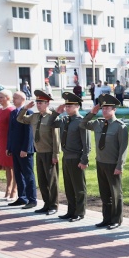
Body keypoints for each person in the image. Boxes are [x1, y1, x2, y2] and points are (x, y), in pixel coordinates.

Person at [81, 94, 129, 229]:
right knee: (104, 193)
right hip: (100, 163)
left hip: (113, 164)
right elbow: (82, 124)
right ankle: (106, 218)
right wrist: (92, 113)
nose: (105, 110)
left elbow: (123, 149)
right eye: (103, 108)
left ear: (114, 110)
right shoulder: (98, 123)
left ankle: (116, 219)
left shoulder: (120, 127)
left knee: (115, 193)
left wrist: (120, 165)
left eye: (108, 108)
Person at [48, 92, 91, 222]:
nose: (67, 108)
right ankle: (71, 211)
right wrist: (57, 111)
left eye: (70, 106)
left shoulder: (81, 122)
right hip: (66, 157)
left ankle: (80, 212)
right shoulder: (64, 120)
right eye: (66, 106)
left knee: (78, 187)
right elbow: (51, 123)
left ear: (77, 106)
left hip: (76, 158)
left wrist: (84, 160)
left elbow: (87, 144)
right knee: (68, 186)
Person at [17, 90, 60, 214]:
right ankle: (46, 204)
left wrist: (55, 154)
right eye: (37, 102)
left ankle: (53, 205)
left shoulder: (52, 117)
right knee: (42, 180)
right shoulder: (35, 116)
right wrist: (25, 108)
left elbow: (56, 138)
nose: (38, 104)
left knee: (52, 181)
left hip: (49, 152)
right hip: (39, 152)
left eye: (41, 102)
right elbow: (20, 119)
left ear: (47, 103)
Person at [6, 91, 37, 209]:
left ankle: (32, 199)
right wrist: (9, 147)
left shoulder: (28, 112)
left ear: (22, 99)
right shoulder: (14, 112)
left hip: (24, 150)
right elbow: (11, 131)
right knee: (18, 174)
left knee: (28, 175)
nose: (13, 100)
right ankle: (22, 197)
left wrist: (26, 149)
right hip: (15, 148)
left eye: (15, 98)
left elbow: (29, 133)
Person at [0, 89, 17, 200]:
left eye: (2, 97)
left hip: (9, 141)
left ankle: (14, 190)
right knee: (7, 167)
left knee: (13, 166)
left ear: (8, 98)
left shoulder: (11, 110)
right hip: (1, 141)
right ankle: (7, 189)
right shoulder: (0, 110)